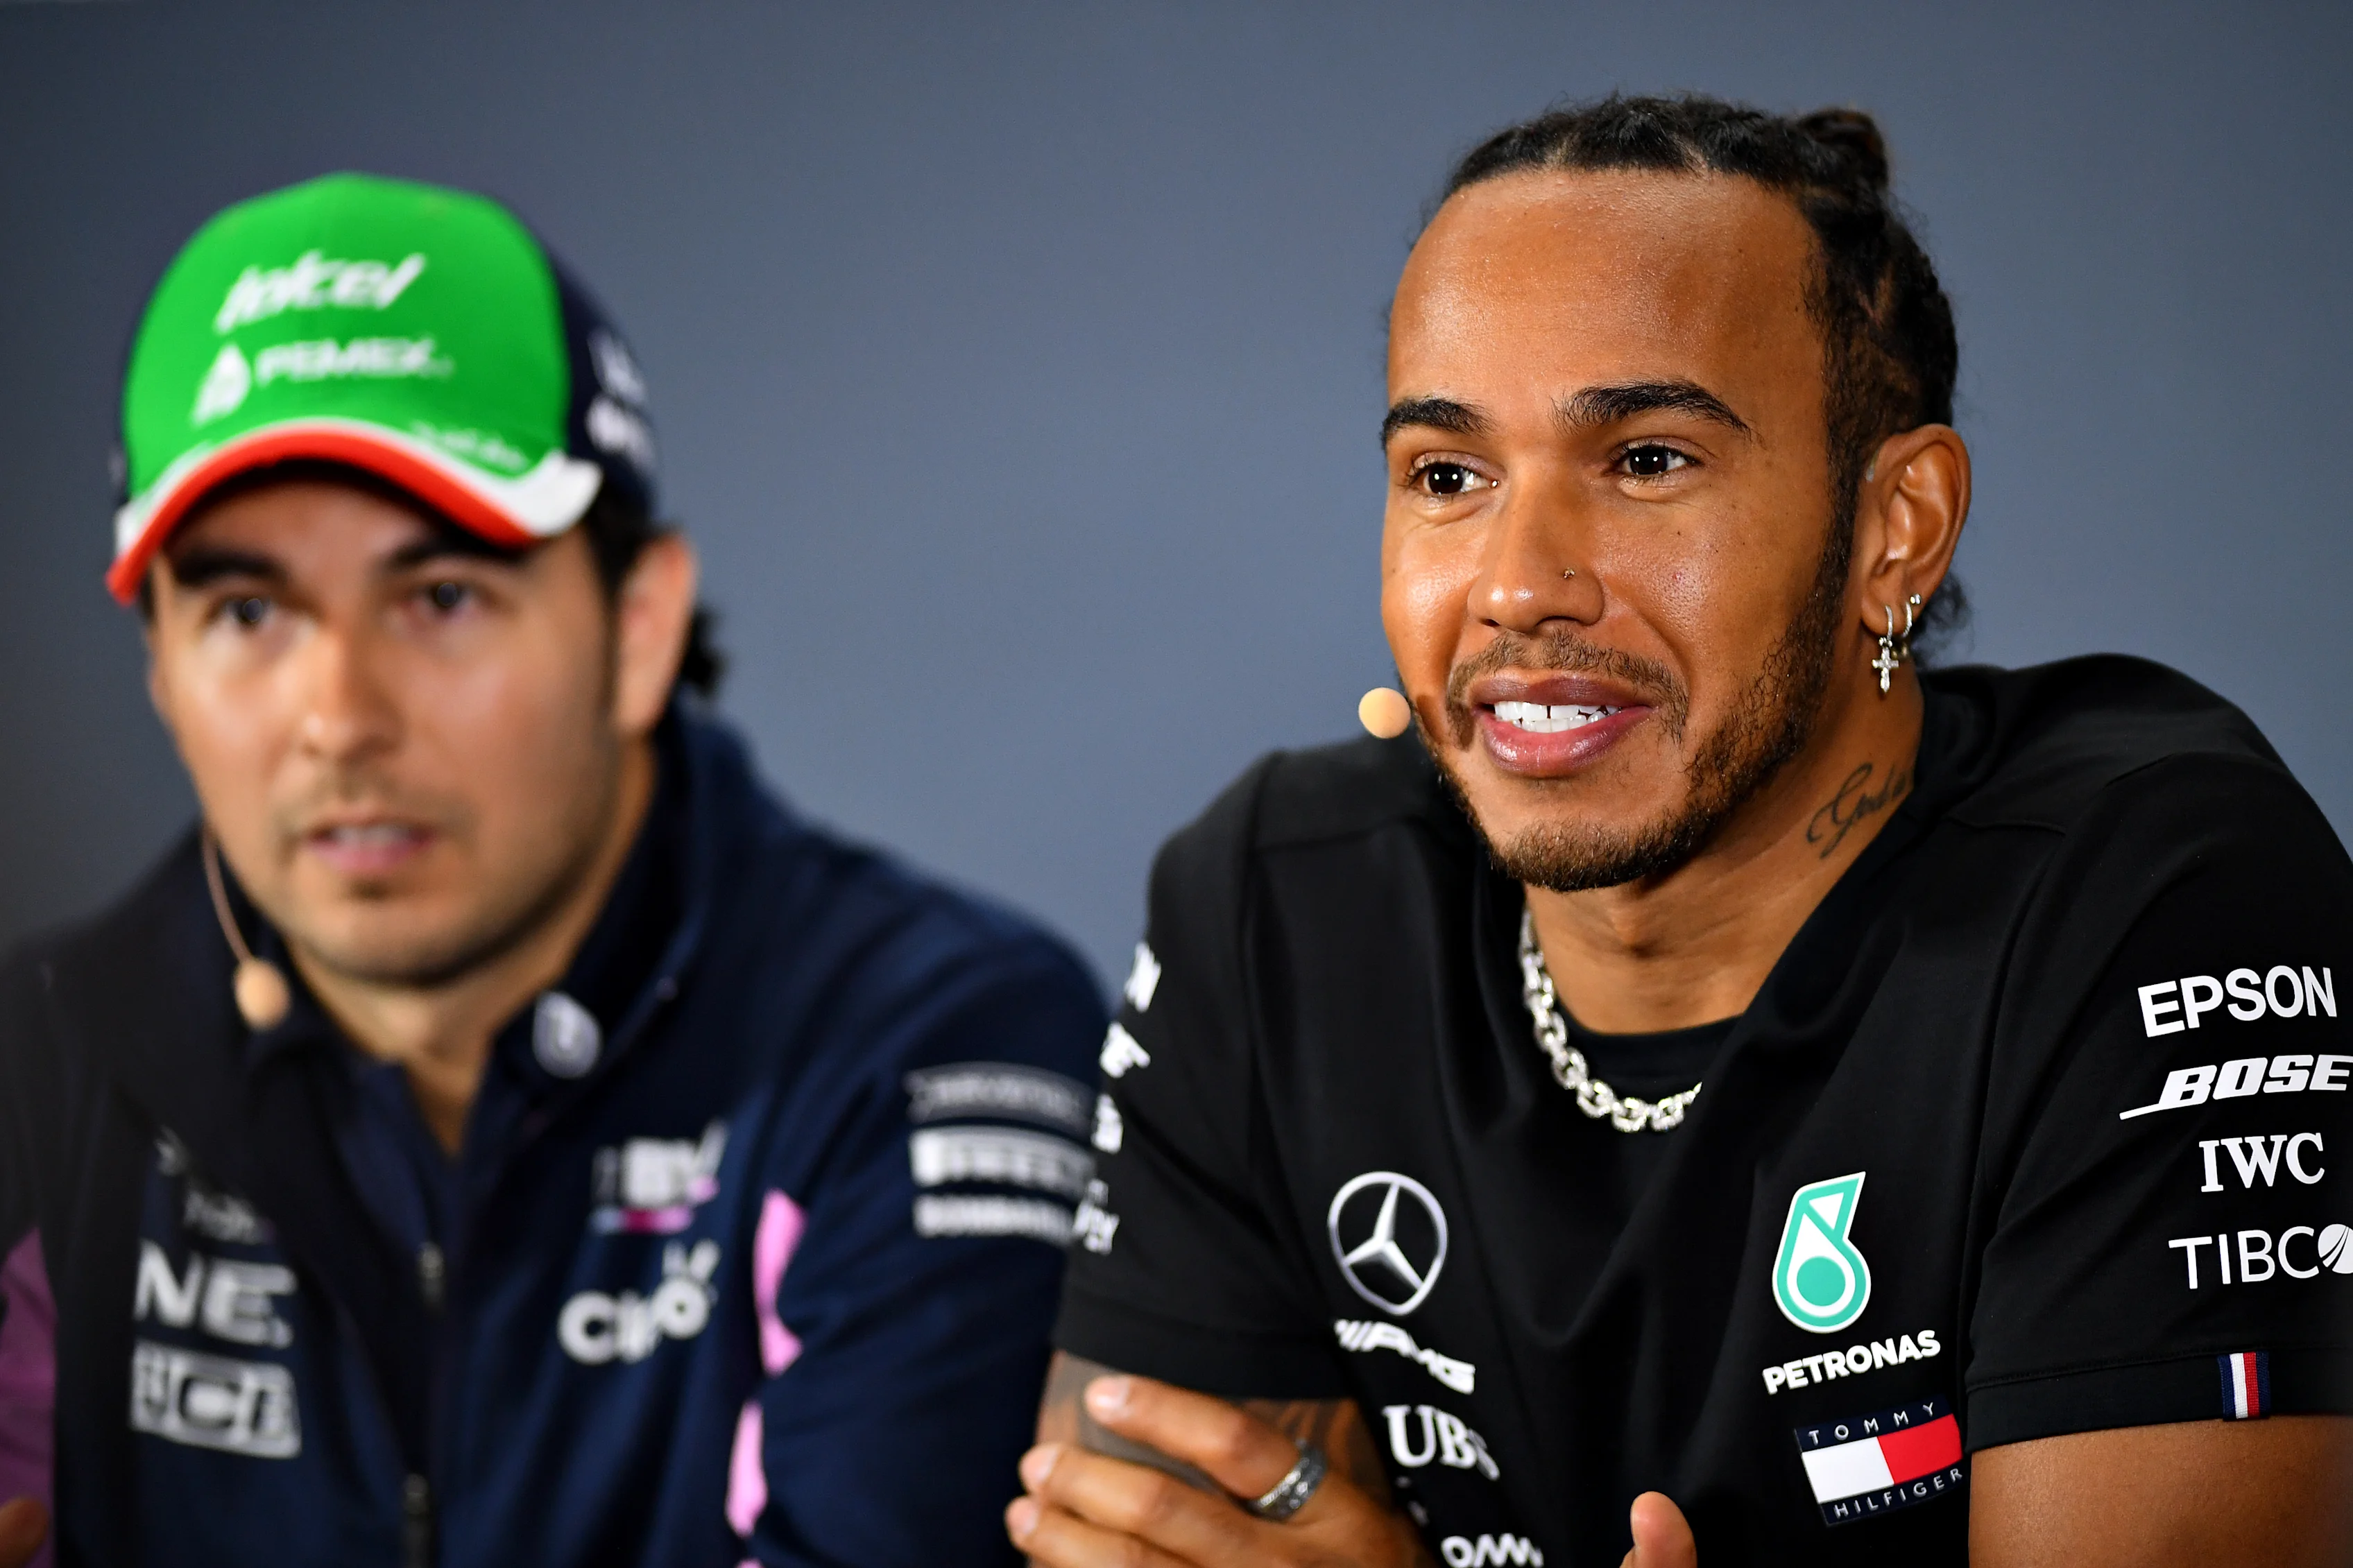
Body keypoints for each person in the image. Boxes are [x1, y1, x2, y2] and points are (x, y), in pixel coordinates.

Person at [1006, 96, 2353, 1567]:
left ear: (1895, 526)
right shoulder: (1278, 902)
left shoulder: (2153, 889)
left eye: (1648, 460)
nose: (1518, 585)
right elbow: (1117, 1527)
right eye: (1447, 475)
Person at [0, 172, 1106, 1567]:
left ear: (640, 627)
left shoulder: (930, 1042)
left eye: (440, 597)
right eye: (248, 610)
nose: (339, 718)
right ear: (161, 666)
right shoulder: (39, 1065)